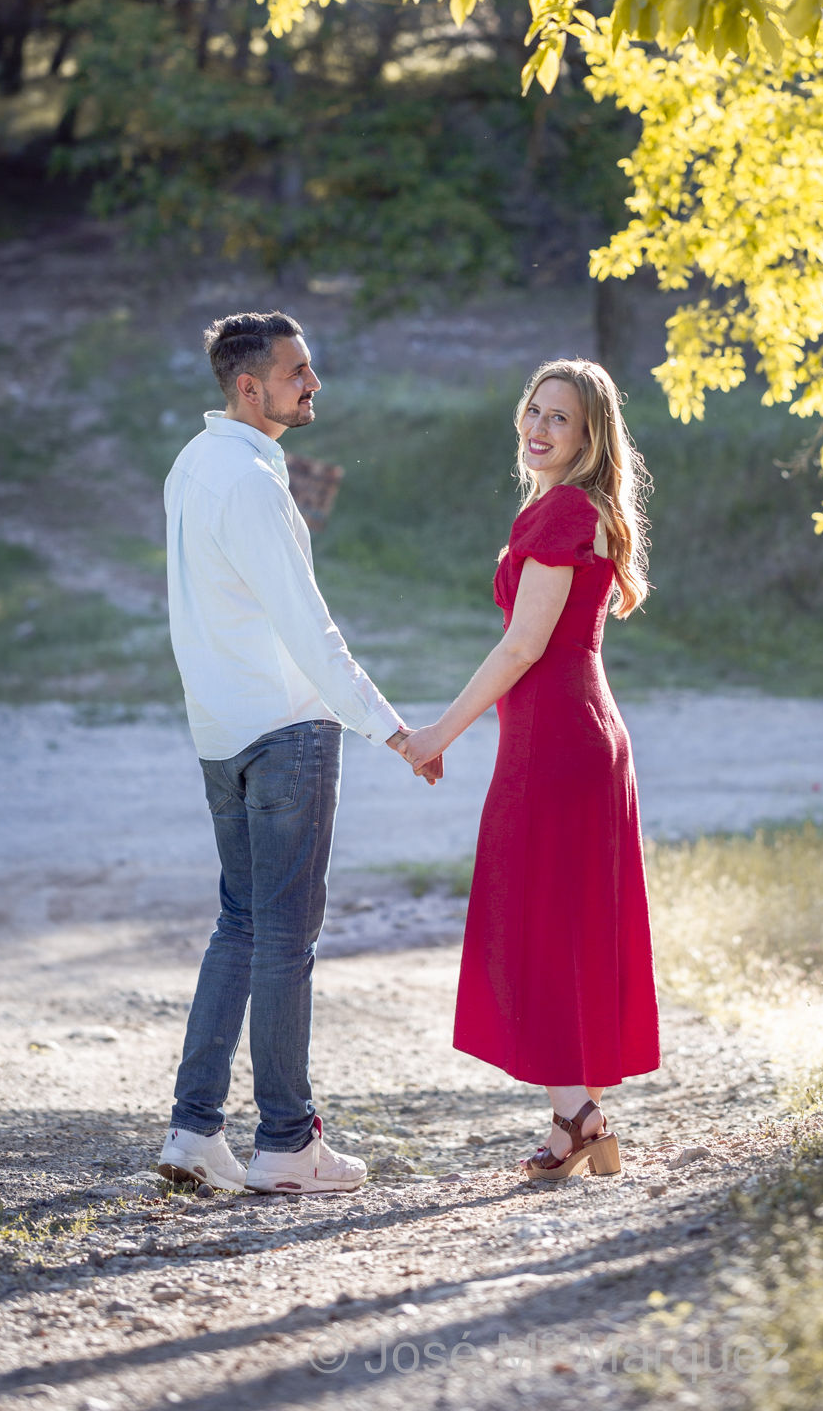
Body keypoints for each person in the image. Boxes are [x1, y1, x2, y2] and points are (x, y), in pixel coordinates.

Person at [157, 310, 426, 1196]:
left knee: (241, 924)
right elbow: (307, 627)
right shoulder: (249, 483)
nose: (313, 385)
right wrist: (389, 727)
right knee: (284, 939)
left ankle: (194, 1132)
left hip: (220, 732)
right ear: (249, 387)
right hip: (284, 731)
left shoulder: (193, 467)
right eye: (297, 372)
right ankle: (286, 1142)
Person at [401, 357, 660, 1182]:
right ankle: (571, 1117)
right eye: (534, 412)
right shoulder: (565, 509)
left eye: (561, 420)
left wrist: (439, 731)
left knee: (537, 923)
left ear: (589, 437)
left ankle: (580, 1115)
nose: (539, 429)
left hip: (558, 741)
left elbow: (523, 645)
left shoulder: (563, 513)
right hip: (574, 732)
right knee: (555, 923)